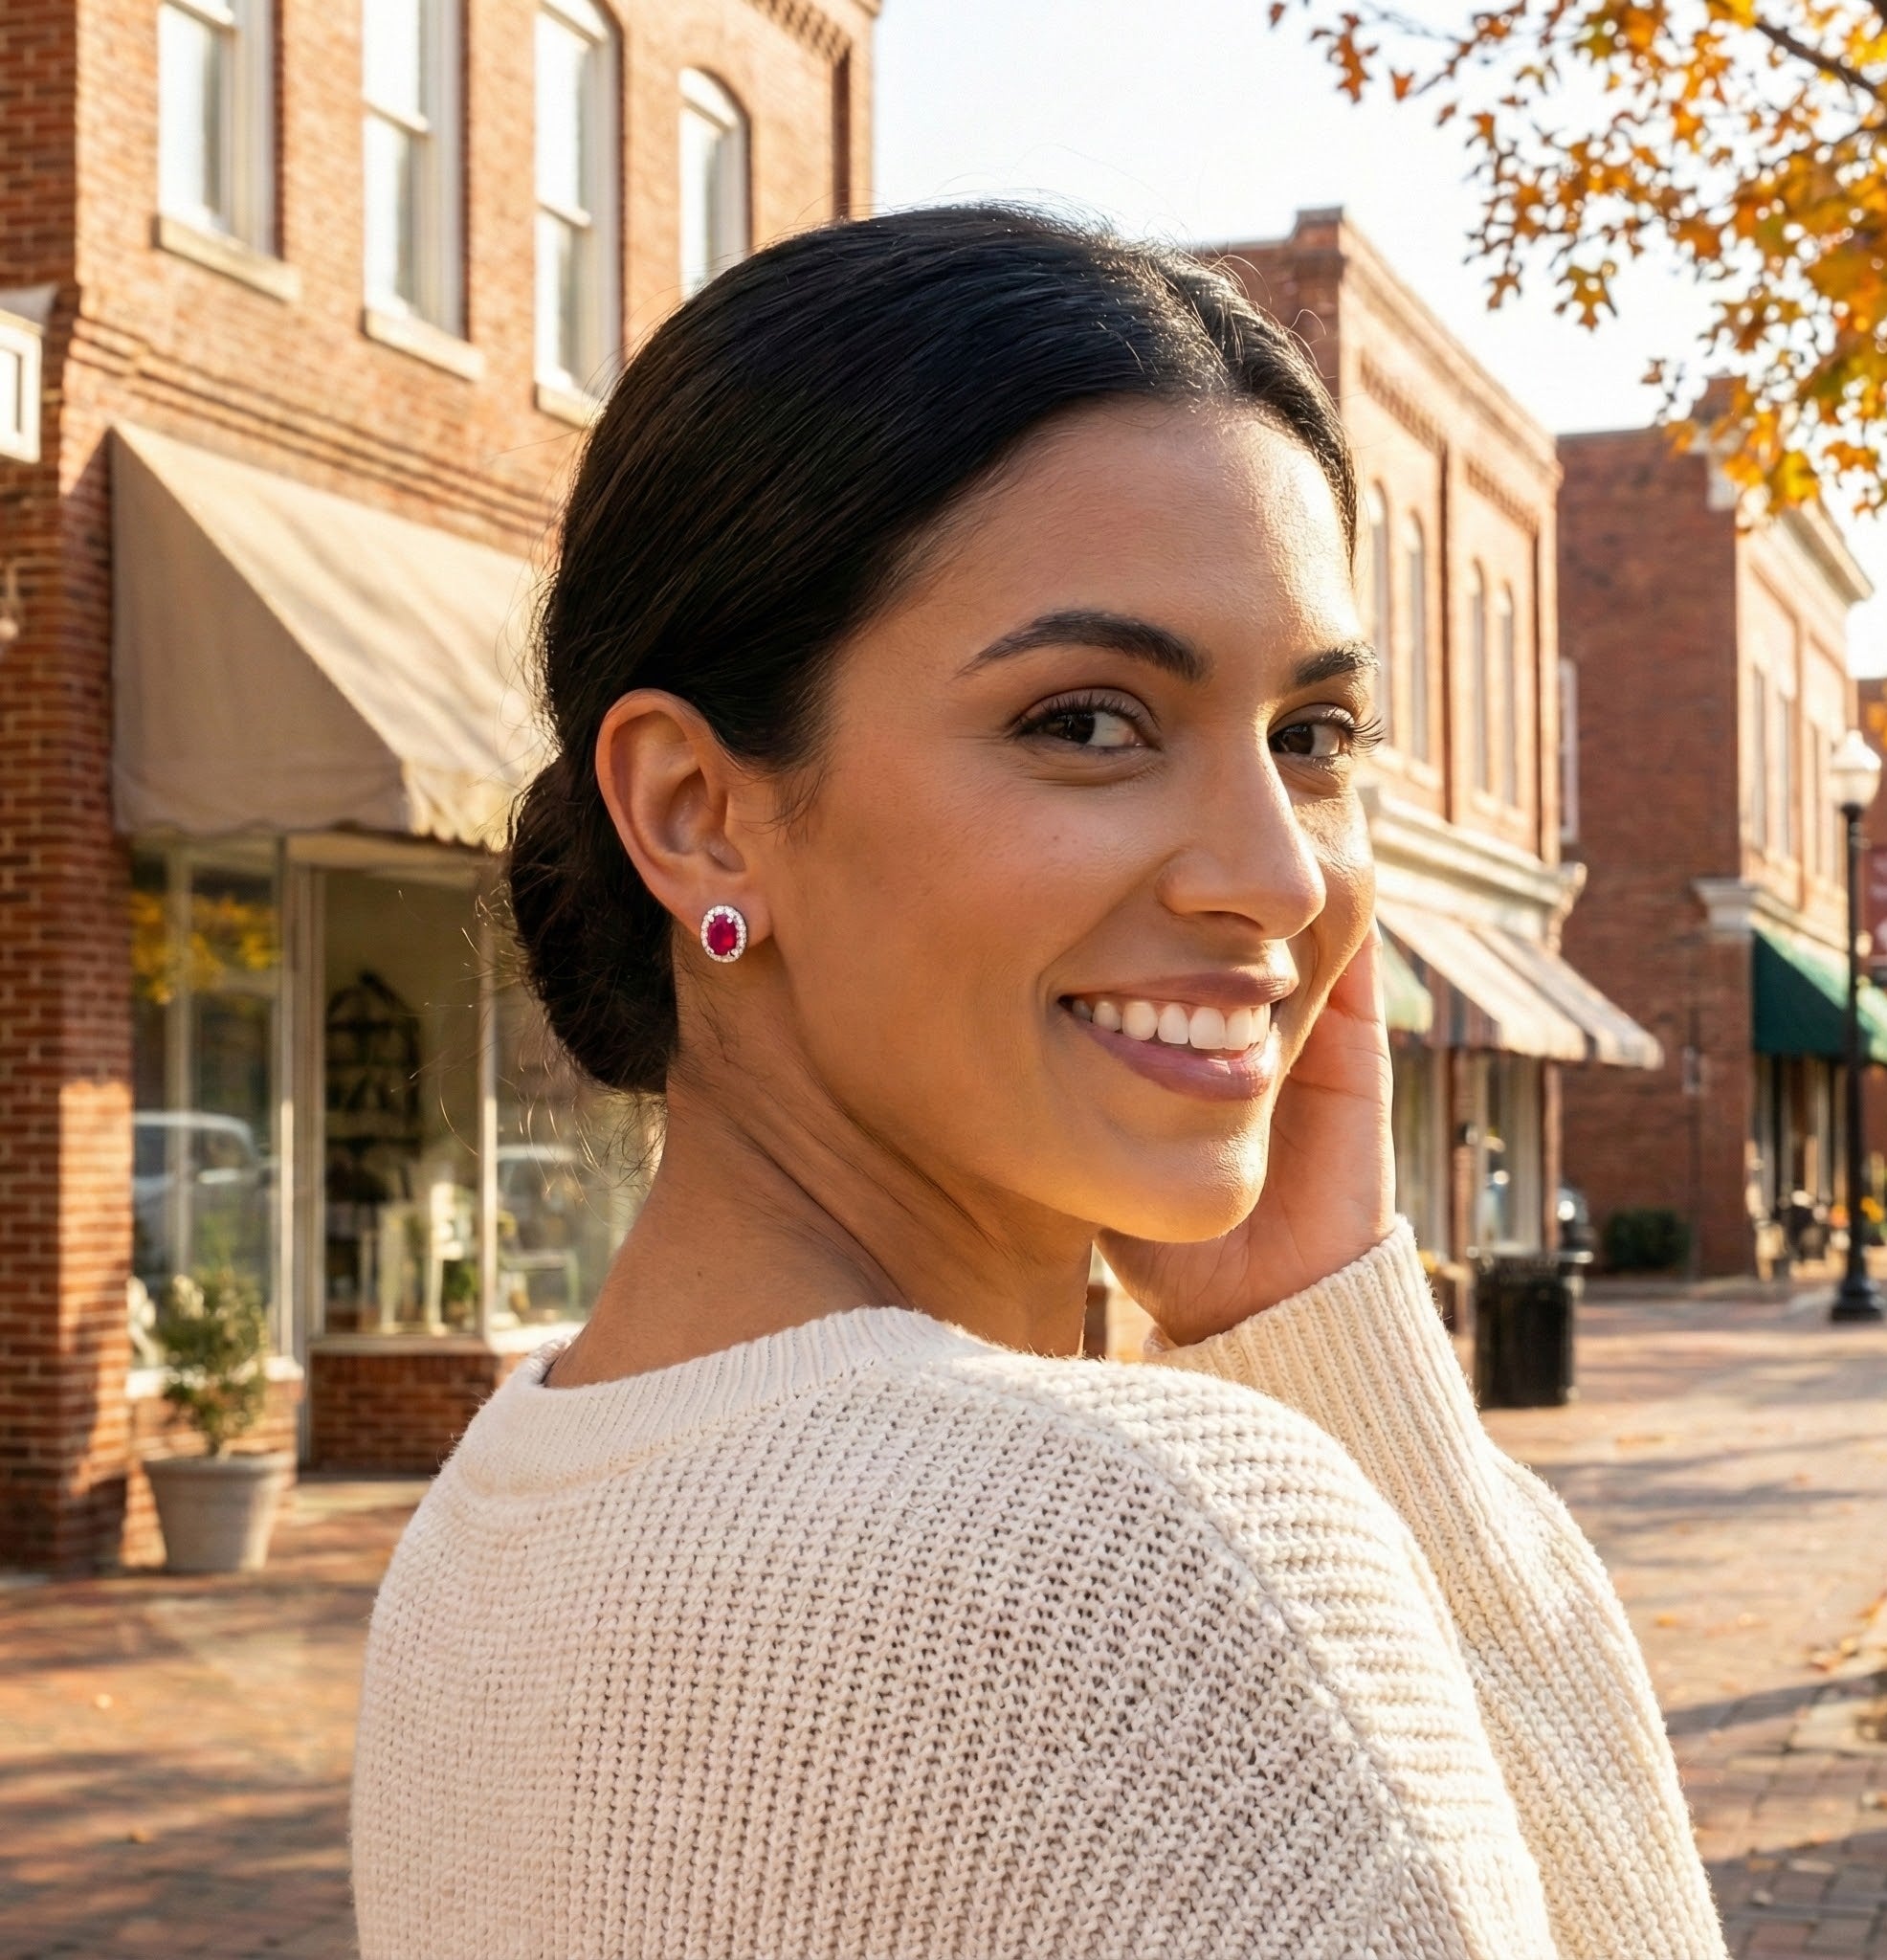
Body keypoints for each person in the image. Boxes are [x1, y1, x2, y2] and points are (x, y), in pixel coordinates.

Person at [352, 207, 1723, 1958]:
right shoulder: (1153, 1553)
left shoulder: (476, 1541)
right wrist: (1335, 1386)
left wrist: (1291, 1315)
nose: (1283, 880)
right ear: (698, 813)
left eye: (1311, 736)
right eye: (1088, 722)